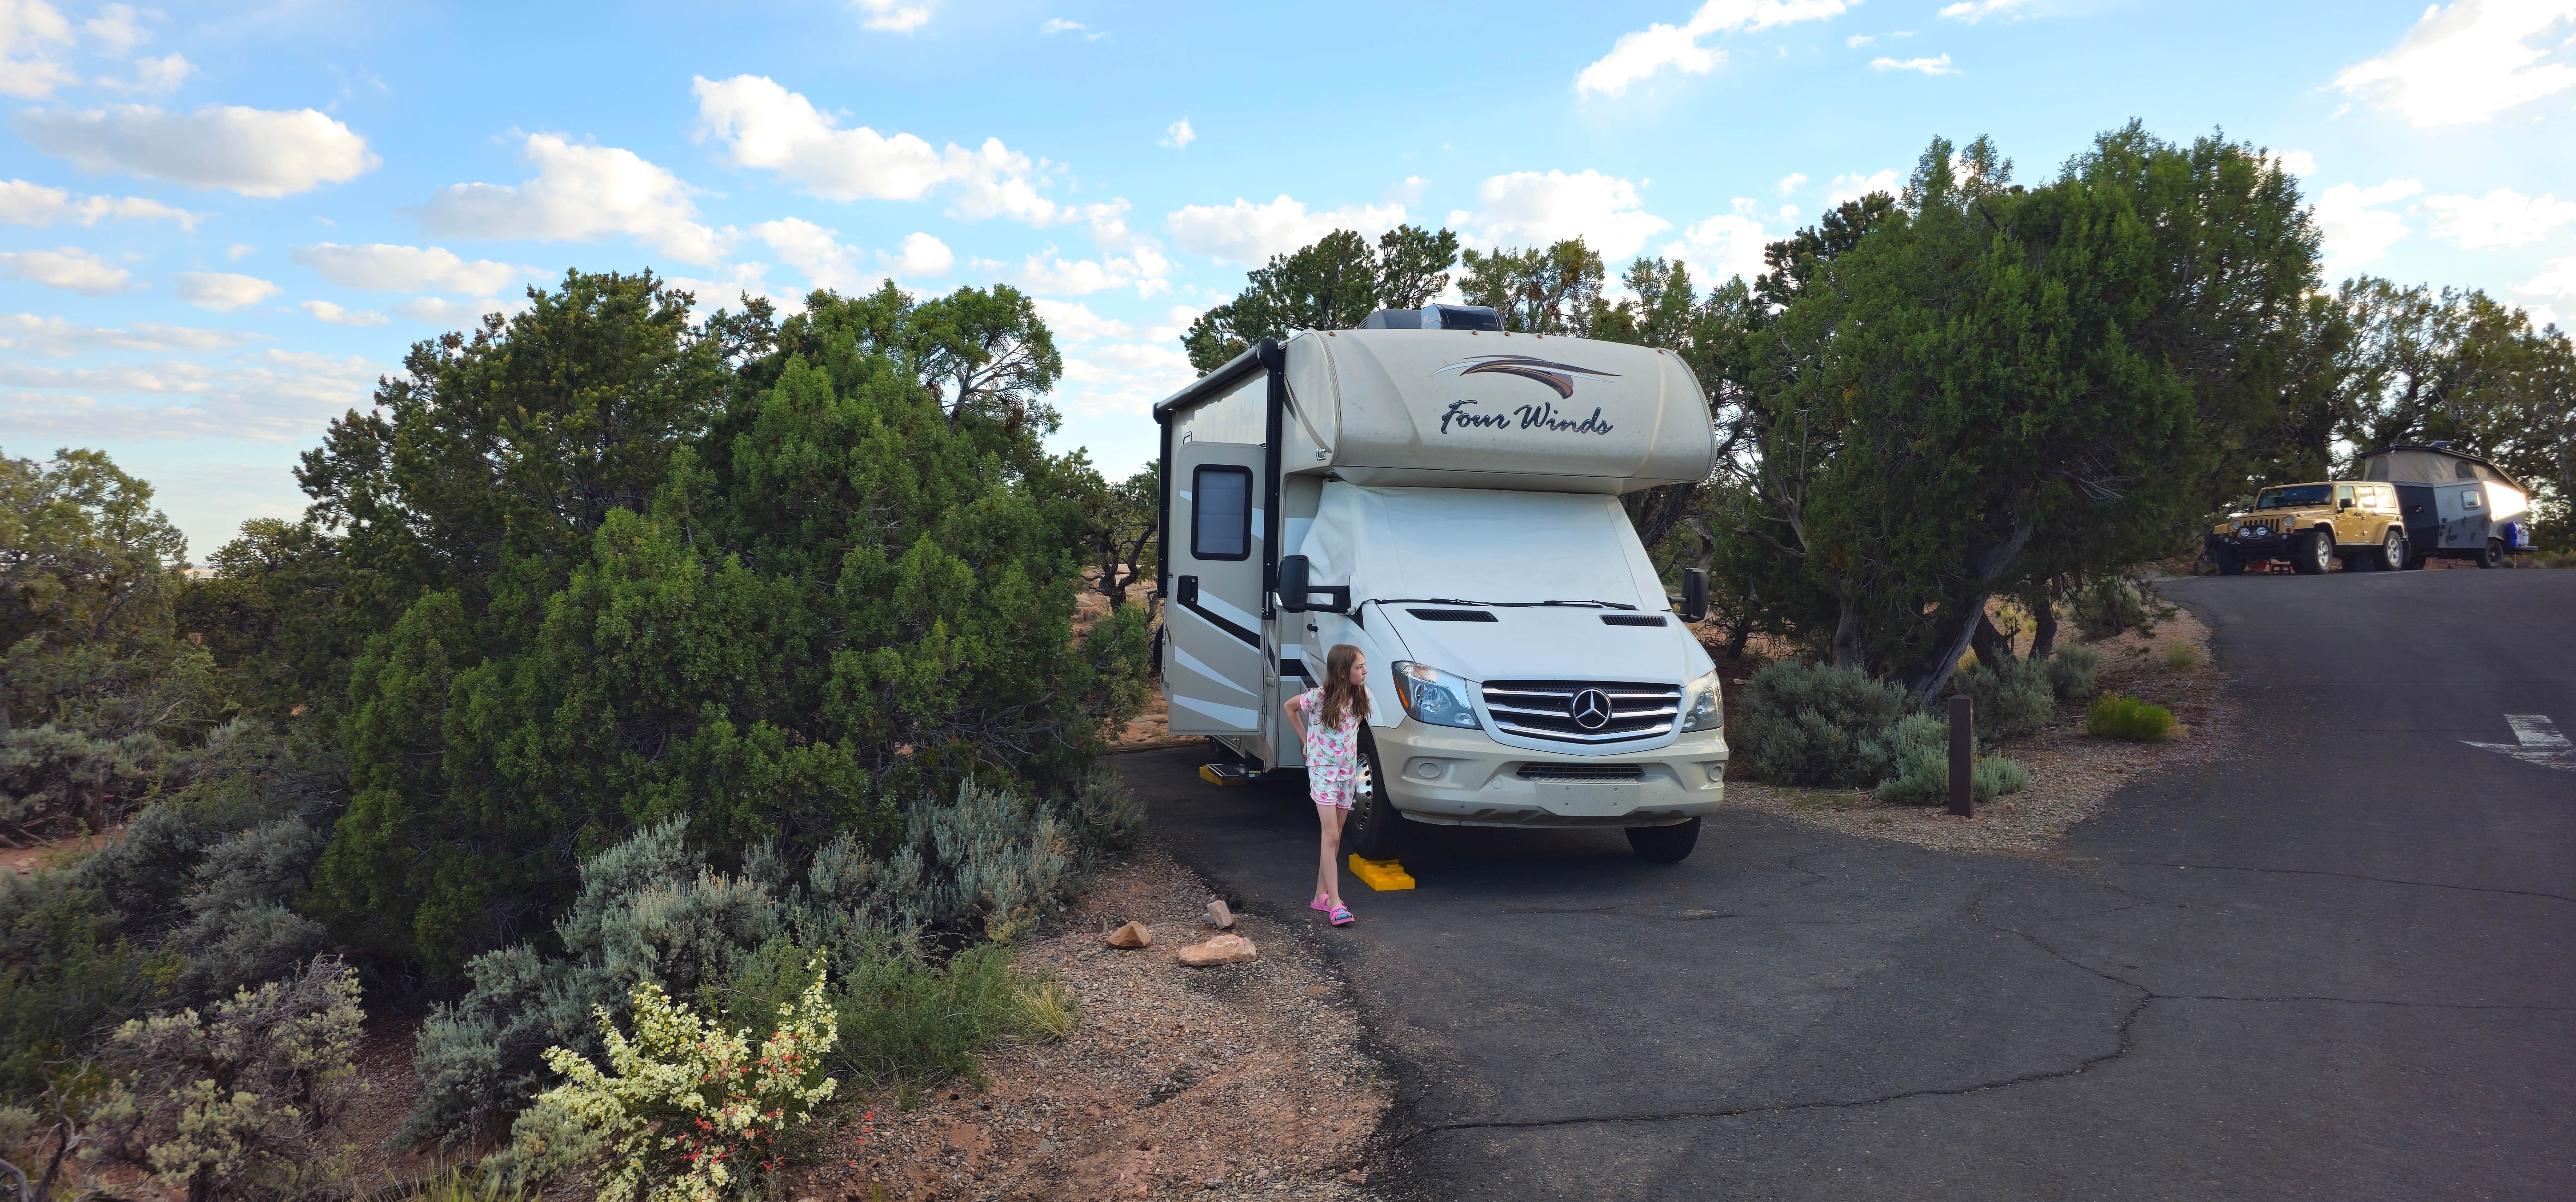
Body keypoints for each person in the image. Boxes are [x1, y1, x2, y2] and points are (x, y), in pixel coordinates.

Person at [1284, 643, 1370, 927]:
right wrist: (1306, 740)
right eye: (1360, 667)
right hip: (1323, 771)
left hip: (1347, 772)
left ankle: (1320, 895)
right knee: (1330, 836)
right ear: (1343, 672)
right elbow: (1290, 707)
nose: (1365, 671)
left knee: (1338, 833)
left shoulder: (1362, 696)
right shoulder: (1319, 698)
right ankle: (1335, 903)